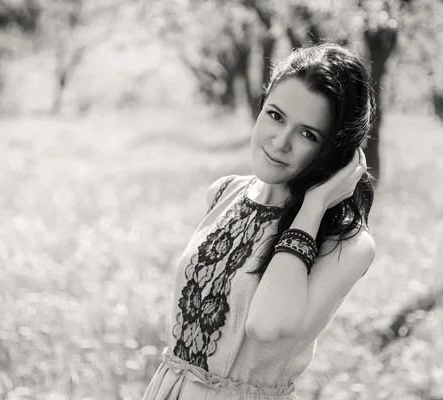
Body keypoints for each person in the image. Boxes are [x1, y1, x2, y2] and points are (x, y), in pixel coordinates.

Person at [141, 41, 377, 400]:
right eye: (275, 115)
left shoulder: (347, 244)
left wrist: (312, 209)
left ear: (335, 152)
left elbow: (266, 325)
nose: (280, 142)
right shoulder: (224, 193)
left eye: (308, 134)